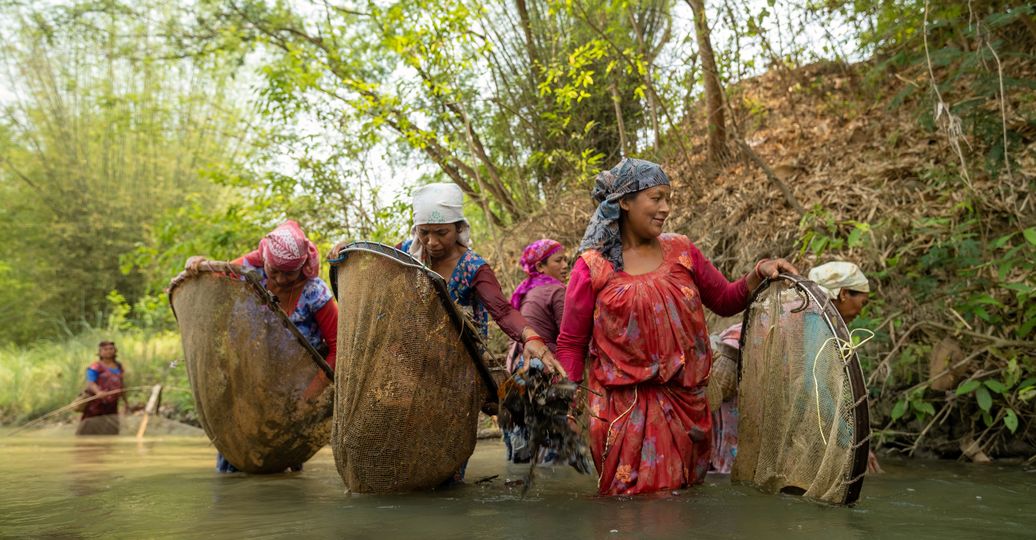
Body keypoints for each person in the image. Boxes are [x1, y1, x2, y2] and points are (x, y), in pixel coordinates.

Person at [555, 158, 797, 496]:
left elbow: (726, 300)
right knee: (636, 514)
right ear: (624, 202)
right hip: (623, 413)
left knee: (683, 505)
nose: (665, 208)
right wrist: (565, 402)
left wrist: (759, 272)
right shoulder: (592, 267)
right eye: (656, 198)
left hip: (687, 408)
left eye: (668, 198)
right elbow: (571, 343)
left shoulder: (682, 251)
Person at [185, 220, 337, 473]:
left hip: (295, 391)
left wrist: (309, 396)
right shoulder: (247, 273)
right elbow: (210, 280)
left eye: (288, 273)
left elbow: (337, 346)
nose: (279, 279)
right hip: (247, 388)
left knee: (285, 462)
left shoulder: (314, 292)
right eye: (273, 270)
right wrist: (197, 262)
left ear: (302, 268)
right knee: (236, 459)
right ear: (264, 260)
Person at [707, 260, 879, 474]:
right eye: (862, 303)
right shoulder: (816, 316)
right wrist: (852, 442)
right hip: (737, 372)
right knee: (733, 460)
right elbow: (812, 385)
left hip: (738, 368)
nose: (860, 312)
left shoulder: (803, 304)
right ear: (843, 294)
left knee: (725, 454)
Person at [504, 239, 569, 464]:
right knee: (553, 455)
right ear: (540, 267)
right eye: (558, 260)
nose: (565, 266)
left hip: (517, 374)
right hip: (544, 372)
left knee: (520, 457)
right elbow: (568, 338)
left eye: (566, 260)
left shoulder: (526, 292)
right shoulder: (557, 291)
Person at [76, 340, 127, 435]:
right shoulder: (95, 367)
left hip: (112, 404)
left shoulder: (119, 366)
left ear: (115, 351)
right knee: (89, 431)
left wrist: (126, 402)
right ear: (100, 352)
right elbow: (90, 383)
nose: (108, 351)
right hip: (96, 404)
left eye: (111, 349)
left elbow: (122, 384)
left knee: (111, 430)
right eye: (105, 349)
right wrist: (98, 392)